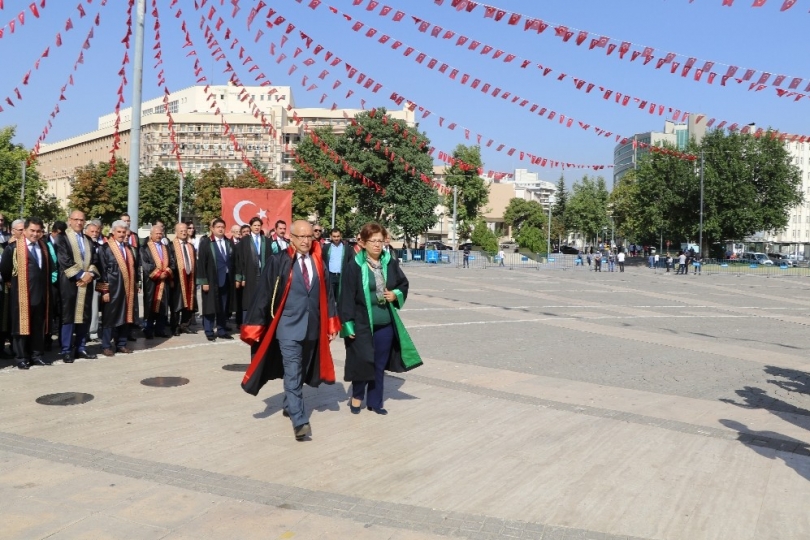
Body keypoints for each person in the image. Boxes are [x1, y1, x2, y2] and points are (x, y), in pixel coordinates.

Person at [240, 220, 340, 440]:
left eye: (309, 237)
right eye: (300, 237)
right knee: (293, 371)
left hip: (312, 327)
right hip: (286, 327)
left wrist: (332, 323)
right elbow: (264, 294)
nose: (305, 241)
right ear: (291, 238)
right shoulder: (279, 261)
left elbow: (328, 294)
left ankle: (288, 403)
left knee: (301, 370)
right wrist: (254, 325)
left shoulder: (318, 261)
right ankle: (300, 420)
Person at [339, 222, 422, 416]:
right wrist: (347, 324)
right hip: (361, 324)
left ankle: (375, 402)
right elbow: (346, 297)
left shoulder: (390, 262)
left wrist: (395, 294)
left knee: (379, 364)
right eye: (372, 241)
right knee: (362, 361)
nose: (377, 245)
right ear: (363, 242)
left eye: (380, 240)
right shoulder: (354, 266)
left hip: (385, 324)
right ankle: (357, 396)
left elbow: (403, 284)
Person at [0, 217, 54, 369]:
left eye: (38, 231)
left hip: (41, 294)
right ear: (24, 230)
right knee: (20, 328)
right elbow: (5, 270)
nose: (35, 234)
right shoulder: (14, 248)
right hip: (21, 295)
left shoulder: (43, 247)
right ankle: (21, 357)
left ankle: (36, 355)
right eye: (32, 230)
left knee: (38, 326)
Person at [54, 210, 100, 363]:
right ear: (69, 220)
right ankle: (66, 349)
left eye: (82, 220)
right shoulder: (62, 238)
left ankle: (81, 347)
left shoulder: (88, 239)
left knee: (84, 315)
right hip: (69, 282)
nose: (79, 222)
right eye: (76, 219)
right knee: (68, 316)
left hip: (86, 283)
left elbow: (95, 259)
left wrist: (90, 275)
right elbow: (64, 260)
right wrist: (81, 275)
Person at [96, 220, 138, 356]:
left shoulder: (128, 248)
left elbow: (133, 268)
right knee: (110, 317)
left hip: (127, 289)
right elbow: (102, 270)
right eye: (118, 232)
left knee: (125, 316)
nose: (121, 234)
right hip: (112, 289)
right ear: (113, 232)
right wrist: (104, 290)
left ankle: (121, 344)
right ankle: (106, 345)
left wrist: (136, 283)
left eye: (123, 232)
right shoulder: (105, 248)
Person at [197, 218, 235, 341]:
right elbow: (202, 263)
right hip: (211, 280)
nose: (220, 229)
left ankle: (221, 330)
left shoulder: (229, 242)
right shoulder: (206, 243)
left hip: (226, 280)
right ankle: (208, 331)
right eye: (218, 227)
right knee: (210, 306)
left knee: (223, 307)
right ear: (212, 229)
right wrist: (204, 281)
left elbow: (232, 261)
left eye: (222, 227)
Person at [140, 224, 174, 339]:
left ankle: (160, 329)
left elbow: (172, 262)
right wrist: (159, 274)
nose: (159, 236)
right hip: (152, 282)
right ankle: (148, 329)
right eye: (157, 234)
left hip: (165, 282)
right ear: (151, 234)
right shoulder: (145, 248)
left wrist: (167, 272)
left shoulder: (166, 247)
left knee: (163, 306)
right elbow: (146, 265)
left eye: (160, 233)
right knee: (150, 305)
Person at [235, 217, 271, 323]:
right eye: (255, 225)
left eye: (259, 225)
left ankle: (260, 323)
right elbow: (240, 260)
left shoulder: (266, 241)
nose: (257, 227)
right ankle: (247, 323)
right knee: (248, 300)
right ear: (251, 227)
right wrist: (241, 277)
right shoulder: (245, 241)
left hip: (263, 274)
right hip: (249, 275)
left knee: (262, 299)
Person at [170, 222, 197, 336]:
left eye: (185, 230)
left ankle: (185, 325)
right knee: (177, 304)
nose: (183, 232)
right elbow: (170, 263)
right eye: (181, 230)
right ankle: (175, 327)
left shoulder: (190, 246)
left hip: (190, 278)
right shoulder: (171, 246)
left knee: (189, 304)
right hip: (177, 279)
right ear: (176, 232)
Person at [85, 221, 103, 342]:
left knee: (94, 306)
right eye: (92, 231)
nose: (95, 233)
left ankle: (93, 332)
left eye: (97, 231)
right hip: (80, 278)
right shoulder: (82, 243)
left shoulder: (101, 245)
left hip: (95, 278)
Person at [323, 228, 350, 301]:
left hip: (342, 276)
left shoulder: (346, 248)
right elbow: (324, 261)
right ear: (331, 236)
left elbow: (349, 262)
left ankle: (339, 311)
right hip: (331, 275)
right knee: (330, 296)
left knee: (340, 297)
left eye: (338, 236)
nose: (336, 238)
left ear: (340, 236)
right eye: (334, 236)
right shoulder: (326, 247)